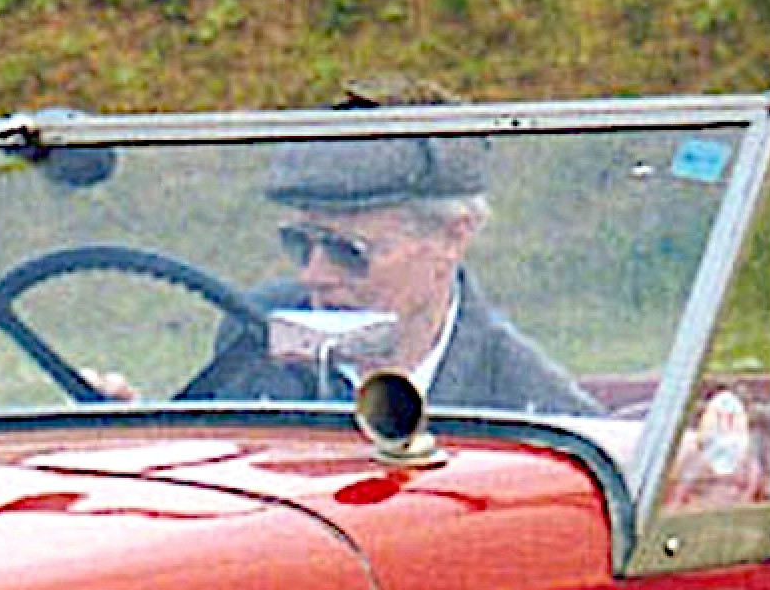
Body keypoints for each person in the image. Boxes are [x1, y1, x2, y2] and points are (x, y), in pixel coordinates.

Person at [180, 131, 602, 417]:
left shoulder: (529, 408)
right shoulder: (257, 332)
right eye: (300, 244)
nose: (314, 276)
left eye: (349, 251)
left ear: (452, 239)